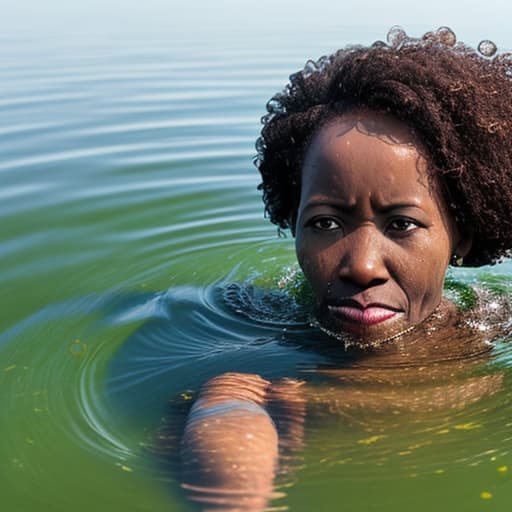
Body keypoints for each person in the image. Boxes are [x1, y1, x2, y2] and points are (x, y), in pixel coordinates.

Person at [178, 27, 512, 511]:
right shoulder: (259, 336)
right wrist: (236, 496)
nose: (362, 266)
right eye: (326, 222)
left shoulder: (496, 329)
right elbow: (230, 405)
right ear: (293, 223)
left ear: (461, 234)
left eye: (402, 224)